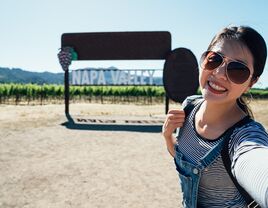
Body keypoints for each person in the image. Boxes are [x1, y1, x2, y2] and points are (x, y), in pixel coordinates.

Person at [162, 25, 268, 208]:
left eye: (237, 69)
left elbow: (257, 164)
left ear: (252, 82)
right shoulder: (189, 107)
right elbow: (186, 157)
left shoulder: (244, 137)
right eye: (214, 59)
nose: (218, 74)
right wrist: (167, 137)